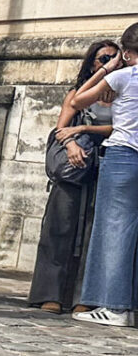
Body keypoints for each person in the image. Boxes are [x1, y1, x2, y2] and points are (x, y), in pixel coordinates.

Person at [28, 40, 120, 312]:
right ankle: (50, 293)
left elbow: (123, 128)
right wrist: (70, 145)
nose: (110, 63)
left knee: (94, 231)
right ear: (92, 62)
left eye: (115, 58)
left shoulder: (124, 89)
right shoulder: (78, 92)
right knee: (60, 227)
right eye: (103, 58)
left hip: (106, 163)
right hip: (74, 164)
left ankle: (84, 296)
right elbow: (62, 128)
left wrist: (89, 133)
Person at [69, 25, 138, 327]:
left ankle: (114, 306)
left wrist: (107, 69)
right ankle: (130, 305)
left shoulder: (122, 76)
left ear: (126, 52)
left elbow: (77, 101)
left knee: (113, 229)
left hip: (123, 155)